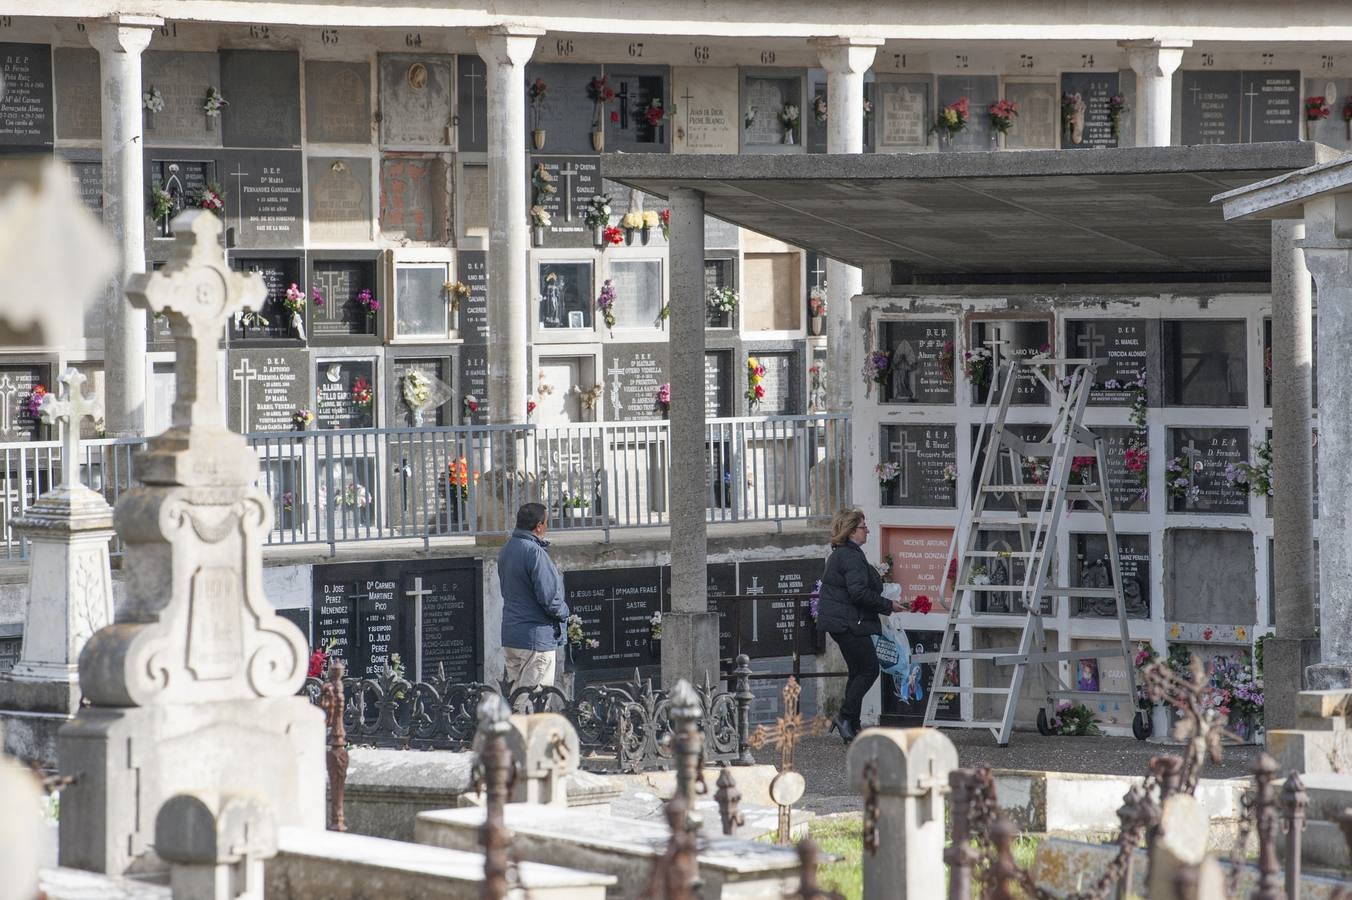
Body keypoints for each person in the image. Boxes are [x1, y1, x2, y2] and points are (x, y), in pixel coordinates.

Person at [817, 507, 907, 744]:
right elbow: (858, 593)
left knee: (858, 672)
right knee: (869, 670)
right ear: (851, 531)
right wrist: (888, 605)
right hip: (848, 623)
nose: (867, 530)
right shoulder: (850, 555)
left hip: (842, 622)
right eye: (863, 527)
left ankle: (852, 726)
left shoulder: (843, 553)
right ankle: (845, 718)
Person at [498, 502, 569, 689]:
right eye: (546, 523)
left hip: (512, 636)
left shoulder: (507, 549)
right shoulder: (535, 552)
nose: (547, 527)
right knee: (533, 704)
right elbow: (549, 599)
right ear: (538, 526)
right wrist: (565, 612)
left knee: (516, 698)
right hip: (536, 639)